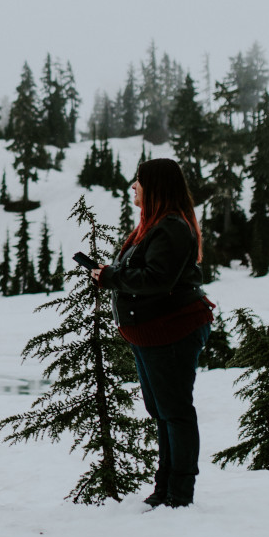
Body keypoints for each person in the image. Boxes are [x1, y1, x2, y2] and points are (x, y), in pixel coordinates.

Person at [81, 159, 214, 508]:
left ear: (155, 186)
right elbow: (143, 273)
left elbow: (157, 279)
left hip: (172, 331)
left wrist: (112, 277)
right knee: (162, 410)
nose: (133, 187)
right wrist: (109, 274)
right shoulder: (153, 226)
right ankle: (165, 488)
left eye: (138, 181)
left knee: (175, 411)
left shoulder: (170, 227)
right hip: (153, 333)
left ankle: (179, 494)